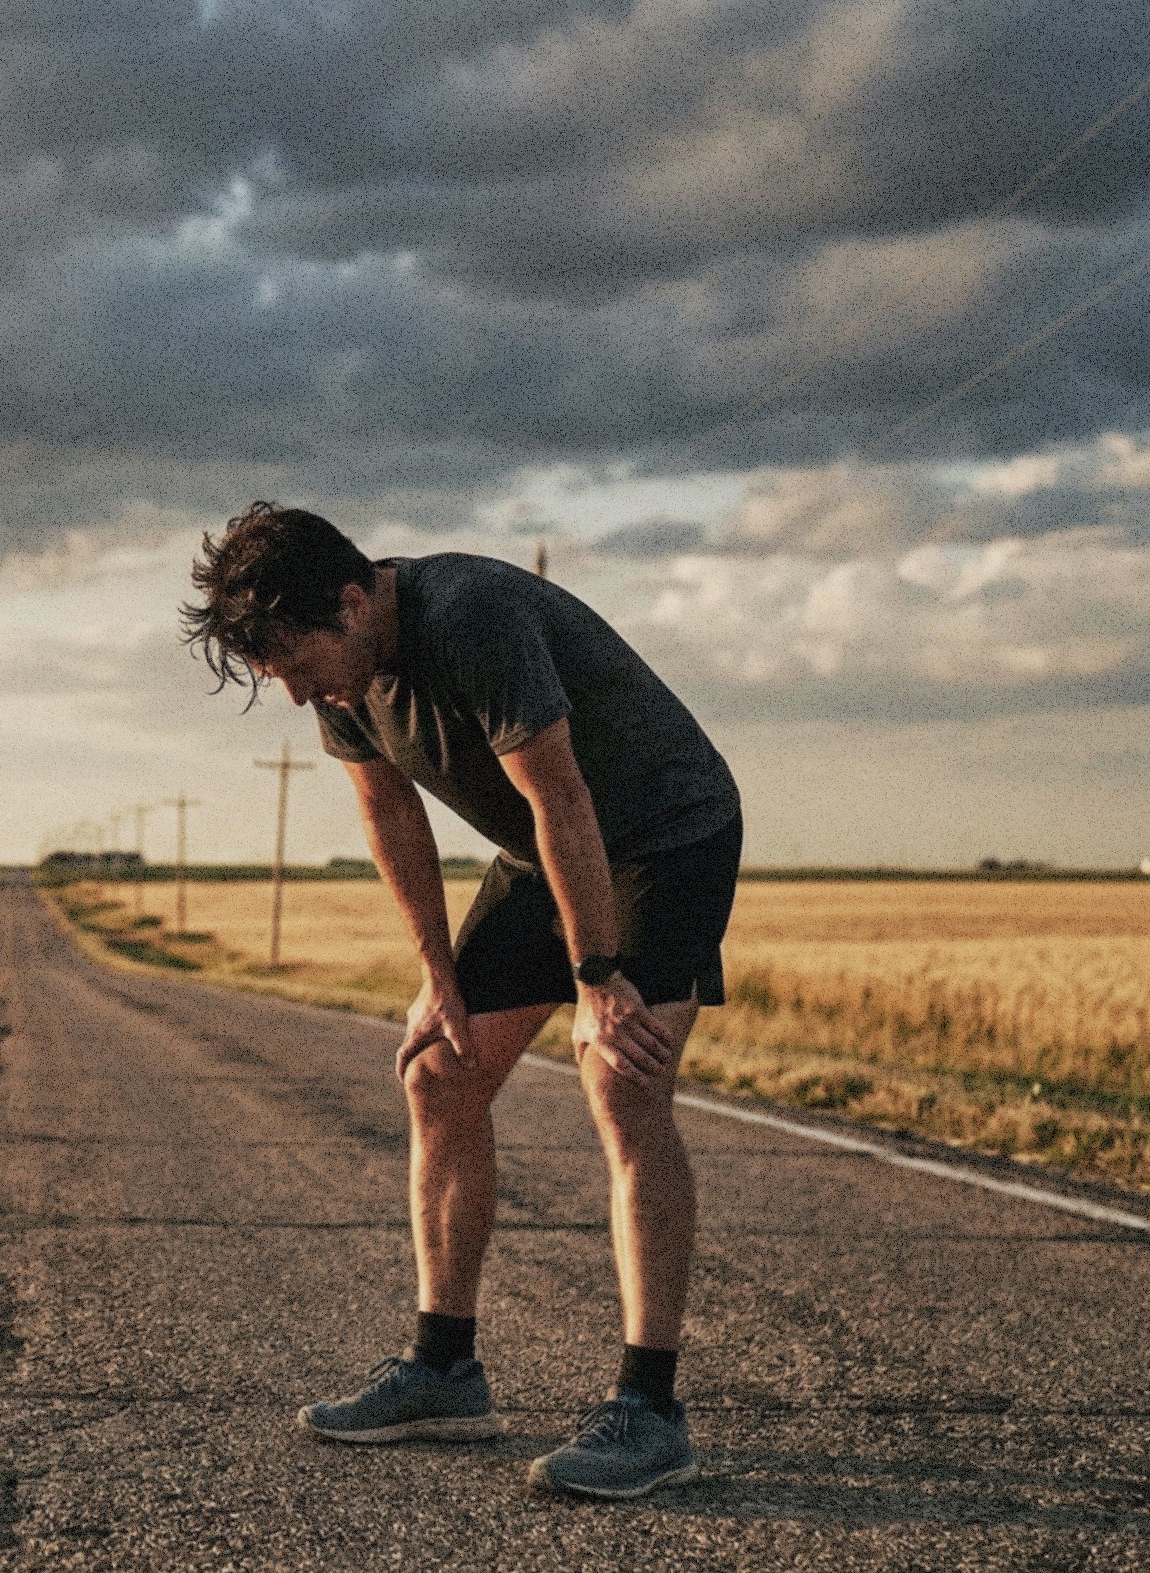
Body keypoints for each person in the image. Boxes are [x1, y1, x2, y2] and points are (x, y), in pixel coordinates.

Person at [180, 503, 743, 1499]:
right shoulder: (339, 671)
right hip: (542, 853)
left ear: (352, 601)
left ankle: (649, 1410)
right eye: (280, 677)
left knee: (619, 1077)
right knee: (439, 1072)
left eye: (299, 665)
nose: (300, 692)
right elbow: (389, 814)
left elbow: (560, 795)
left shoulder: (471, 613)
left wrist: (597, 977)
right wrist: (438, 981)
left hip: (665, 834)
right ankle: (443, 1369)